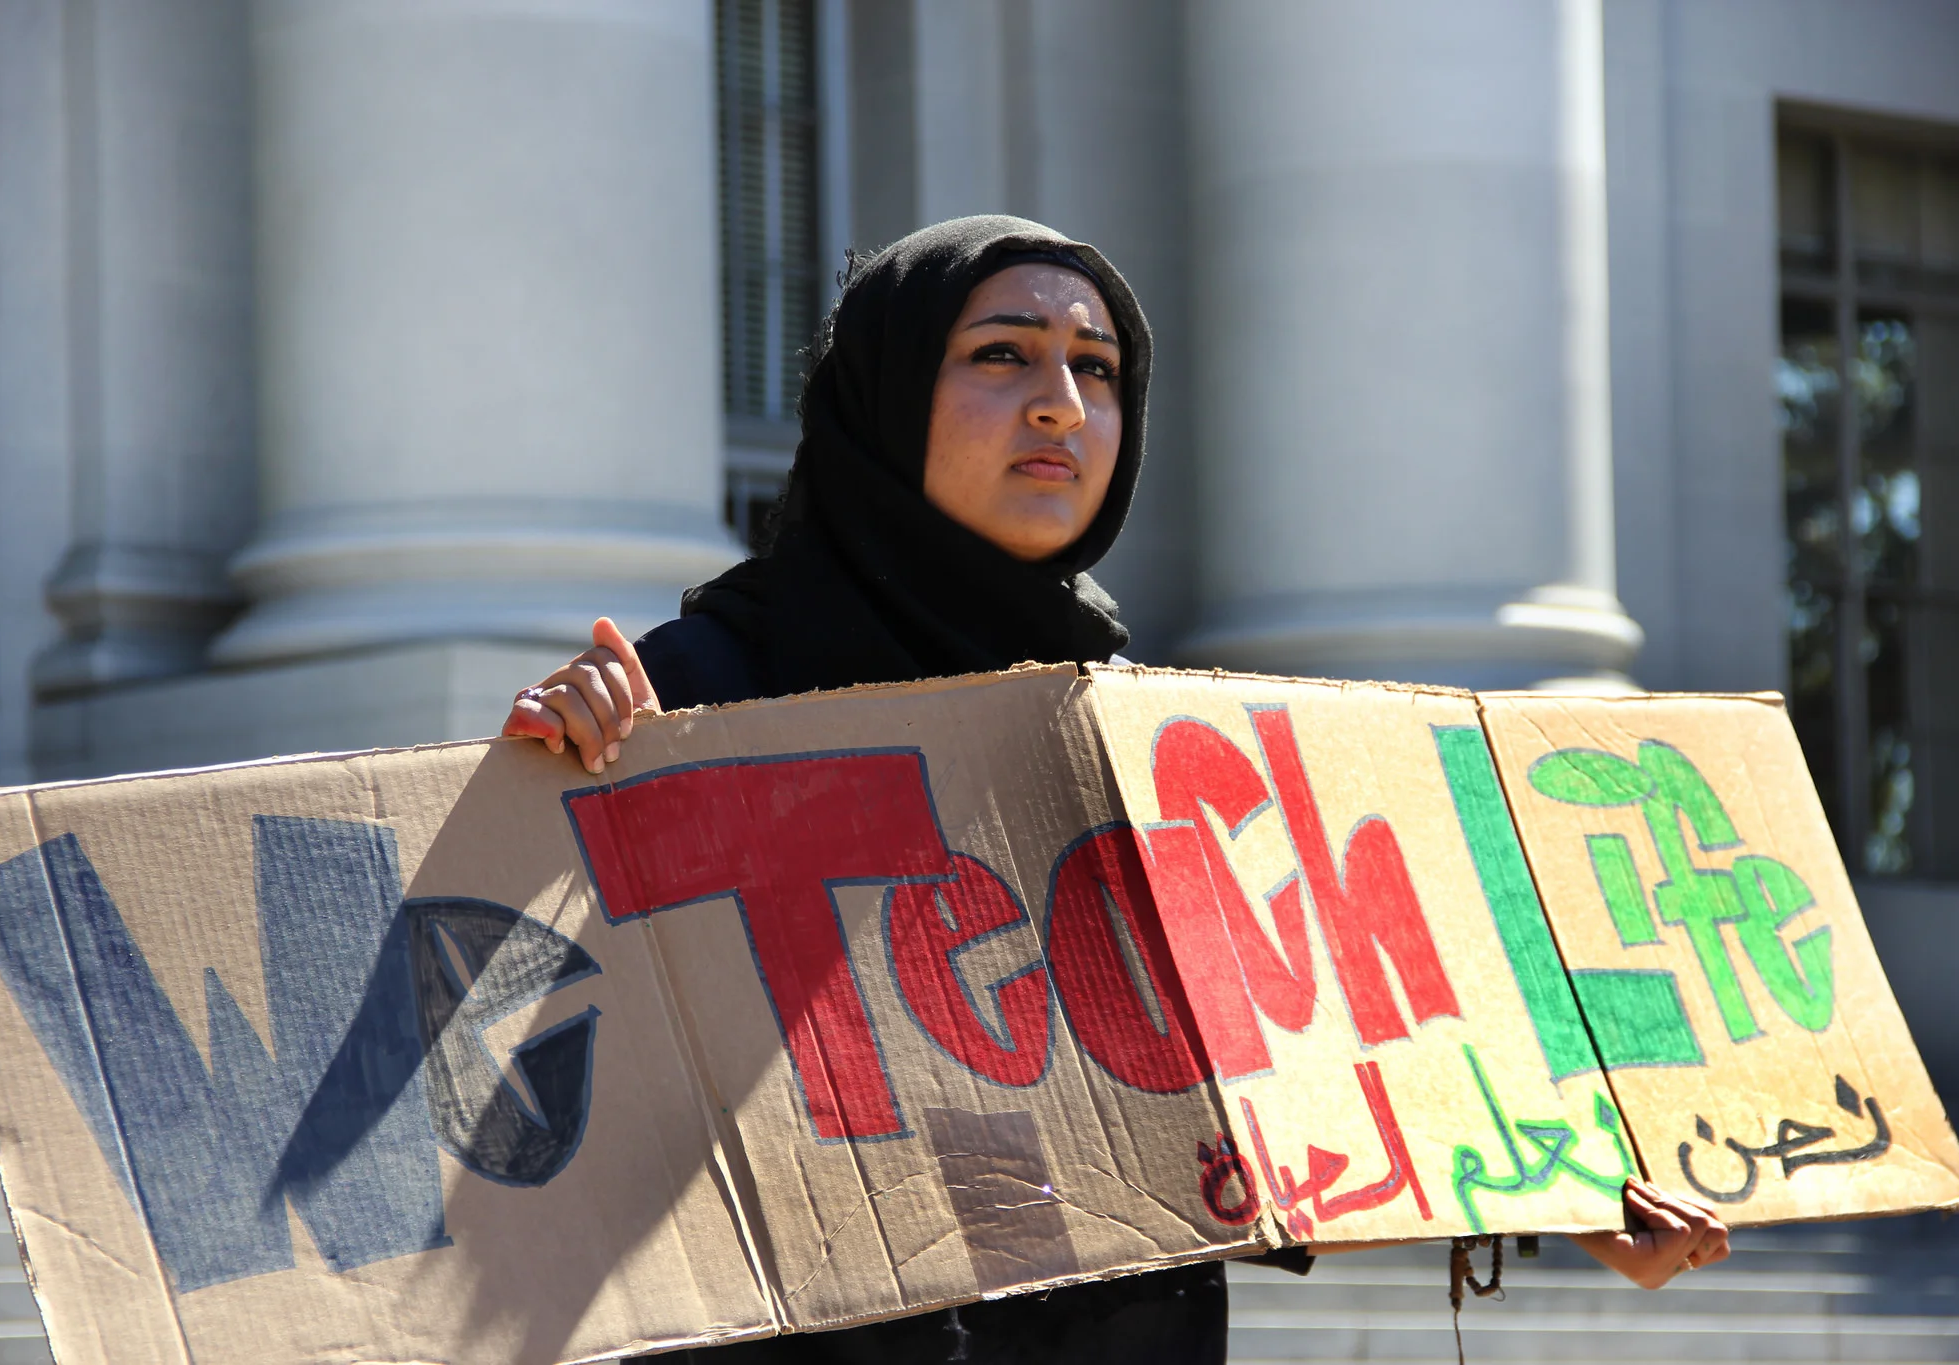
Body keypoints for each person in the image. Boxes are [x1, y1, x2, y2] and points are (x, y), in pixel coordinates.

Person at [502, 216, 1731, 1363]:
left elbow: (1261, 1085)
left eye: (1097, 371)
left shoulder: (1147, 732)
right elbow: (539, 1071)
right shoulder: (703, 694)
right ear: (882, 395)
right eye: (1002, 355)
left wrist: (1551, 1184)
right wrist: (560, 778)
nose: (1060, 405)